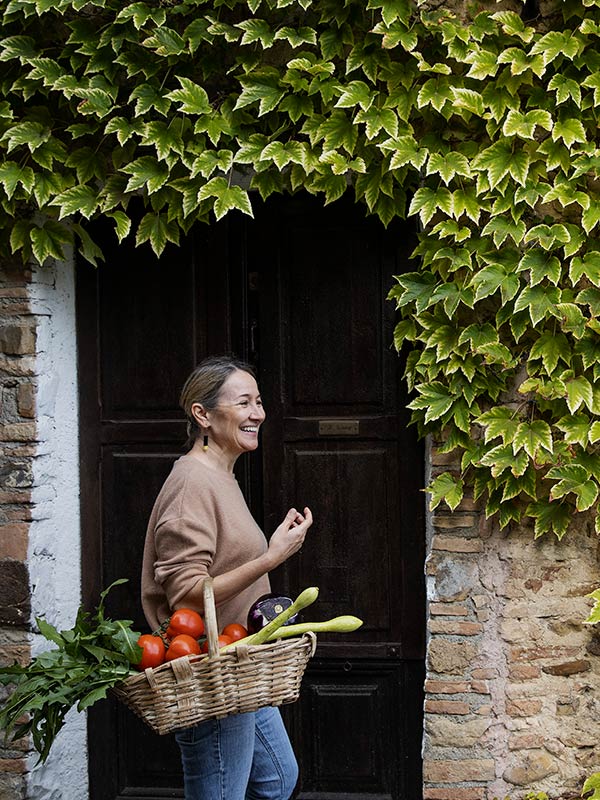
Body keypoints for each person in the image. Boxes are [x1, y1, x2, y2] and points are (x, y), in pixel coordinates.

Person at [141, 355, 313, 800]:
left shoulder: (222, 476)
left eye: (258, 402)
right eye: (243, 402)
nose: (257, 413)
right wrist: (270, 558)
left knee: (277, 779)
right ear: (203, 415)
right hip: (210, 672)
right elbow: (187, 597)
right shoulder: (191, 483)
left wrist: (269, 547)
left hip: (239, 668)